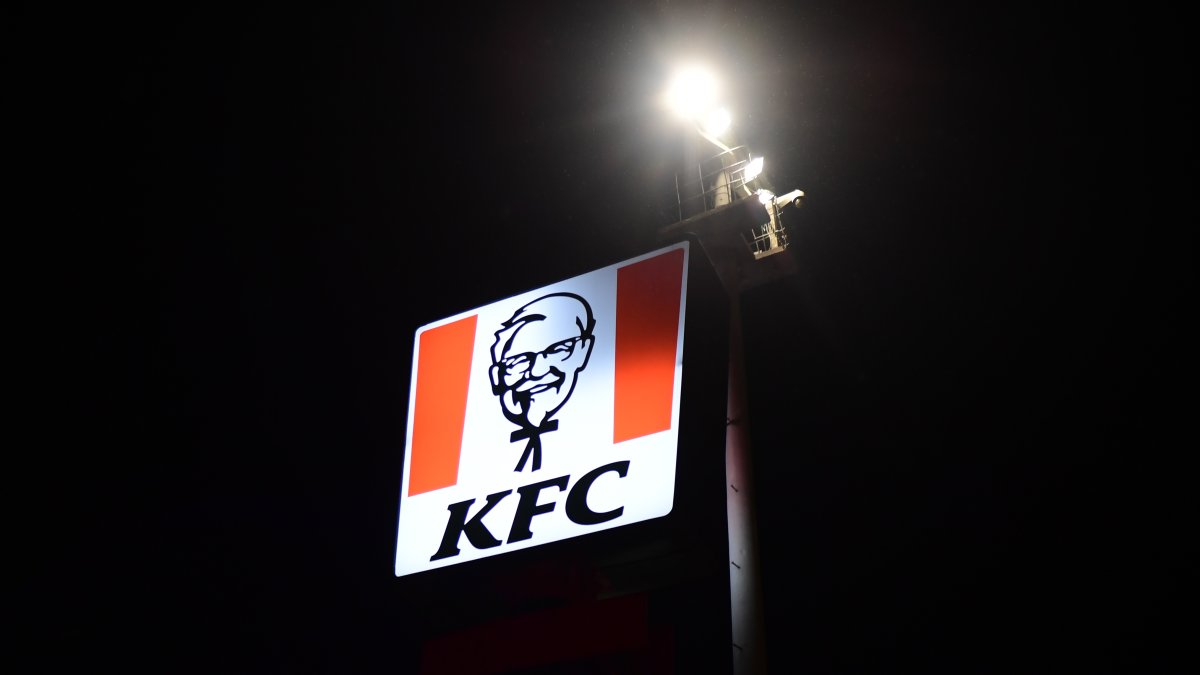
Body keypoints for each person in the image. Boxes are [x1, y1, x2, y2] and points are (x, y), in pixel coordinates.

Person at [488, 293, 596, 472]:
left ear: (583, 351)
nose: (538, 371)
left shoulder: (591, 435)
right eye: (519, 360)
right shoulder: (486, 460)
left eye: (557, 350)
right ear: (496, 376)